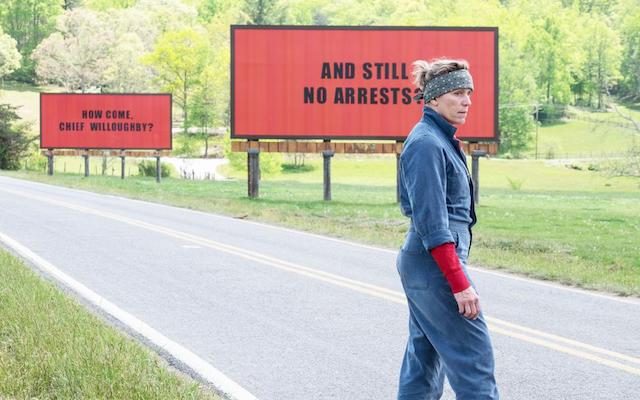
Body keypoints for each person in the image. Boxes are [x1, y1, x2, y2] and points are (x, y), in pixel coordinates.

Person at [396, 58, 499, 400]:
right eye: (457, 93)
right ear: (434, 99)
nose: (467, 101)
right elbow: (432, 223)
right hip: (434, 264)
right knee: (474, 359)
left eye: (469, 92)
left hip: (428, 264)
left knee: (424, 358)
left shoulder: (438, 139)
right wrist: (459, 283)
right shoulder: (426, 143)